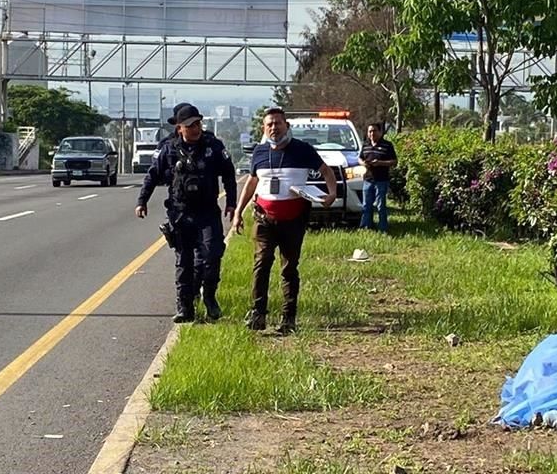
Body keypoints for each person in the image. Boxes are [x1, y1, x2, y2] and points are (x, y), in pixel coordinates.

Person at [232, 107, 337, 335]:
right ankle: (257, 313)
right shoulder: (259, 153)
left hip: (293, 220)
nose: (274, 128)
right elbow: (251, 184)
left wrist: (331, 194)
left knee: (289, 269)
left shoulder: (302, 150)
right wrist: (239, 211)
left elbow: (327, 172)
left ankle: (288, 318)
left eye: (278, 123)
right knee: (262, 263)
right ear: (264, 128)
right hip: (264, 219)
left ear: (286, 126)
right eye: (269, 124)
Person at [136, 104, 237, 323]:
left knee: (212, 254)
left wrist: (232, 203)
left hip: (207, 212)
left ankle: (209, 297)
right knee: (184, 261)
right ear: (180, 128)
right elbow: (152, 175)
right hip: (180, 213)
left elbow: (229, 174)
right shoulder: (168, 149)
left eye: (198, 123)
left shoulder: (213, 146)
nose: (196, 128)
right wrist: (142, 201)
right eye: (190, 125)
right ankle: (185, 306)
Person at [358, 122, 397, 234]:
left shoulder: (387, 145)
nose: (372, 133)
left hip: (381, 180)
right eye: (370, 131)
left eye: (374, 131)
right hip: (368, 180)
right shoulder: (365, 145)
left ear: (380, 132)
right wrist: (363, 163)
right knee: (366, 205)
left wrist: (380, 163)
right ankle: (366, 227)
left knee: (381, 206)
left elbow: (394, 161)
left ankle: (383, 229)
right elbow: (360, 158)